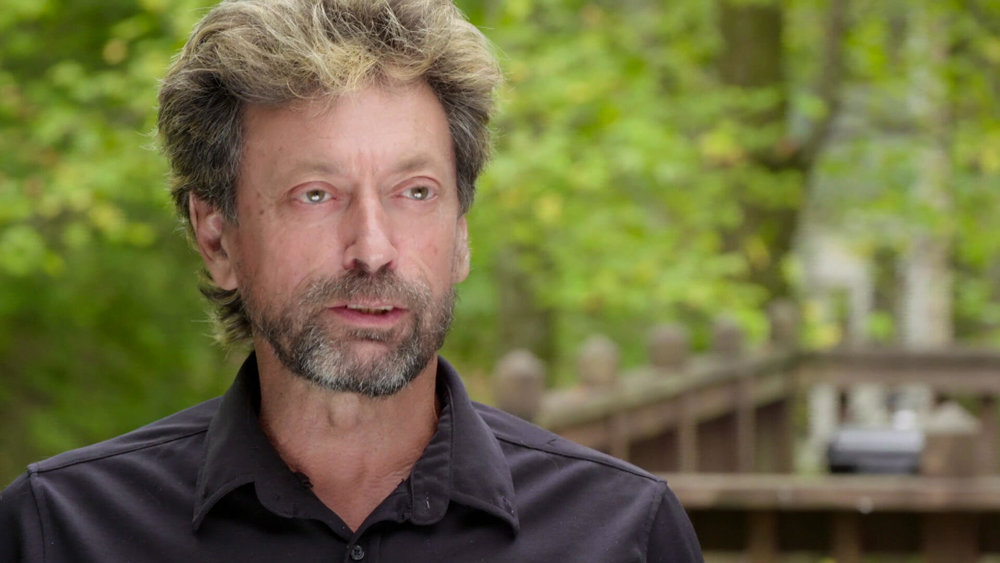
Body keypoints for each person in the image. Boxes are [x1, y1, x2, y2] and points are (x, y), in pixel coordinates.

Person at [0, 1, 702, 560]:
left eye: (416, 192)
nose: (373, 249)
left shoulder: (624, 532)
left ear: (461, 234)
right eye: (316, 194)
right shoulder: (58, 531)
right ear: (217, 237)